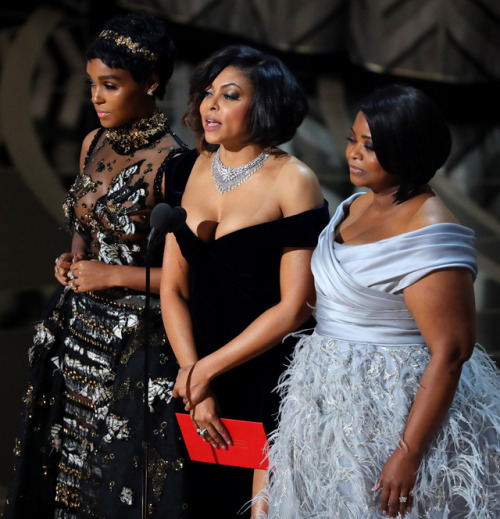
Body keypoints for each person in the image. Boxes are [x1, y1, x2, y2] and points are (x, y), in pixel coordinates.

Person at [261, 84, 500, 518]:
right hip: (325, 399)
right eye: (353, 139)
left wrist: (407, 453)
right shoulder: (354, 205)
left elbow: (451, 352)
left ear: (407, 150)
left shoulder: (431, 234)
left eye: (369, 147)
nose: (353, 153)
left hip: (395, 407)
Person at [3, 11, 196, 518]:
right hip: (75, 324)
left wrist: (110, 275)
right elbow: (85, 222)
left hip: (136, 342)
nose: (96, 98)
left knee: (114, 472)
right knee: (66, 461)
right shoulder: (93, 143)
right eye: (92, 84)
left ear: (152, 84)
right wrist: (75, 257)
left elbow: (191, 277)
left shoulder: (178, 166)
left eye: (110, 85)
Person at [160, 44, 329, 518]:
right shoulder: (181, 169)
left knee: (255, 506)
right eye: (209, 93)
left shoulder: (293, 180)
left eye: (229, 95)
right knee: (204, 498)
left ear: (265, 105)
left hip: (266, 373)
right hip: (194, 370)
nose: (211, 105)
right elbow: (173, 288)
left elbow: (296, 306)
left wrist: (206, 371)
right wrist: (194, 378)